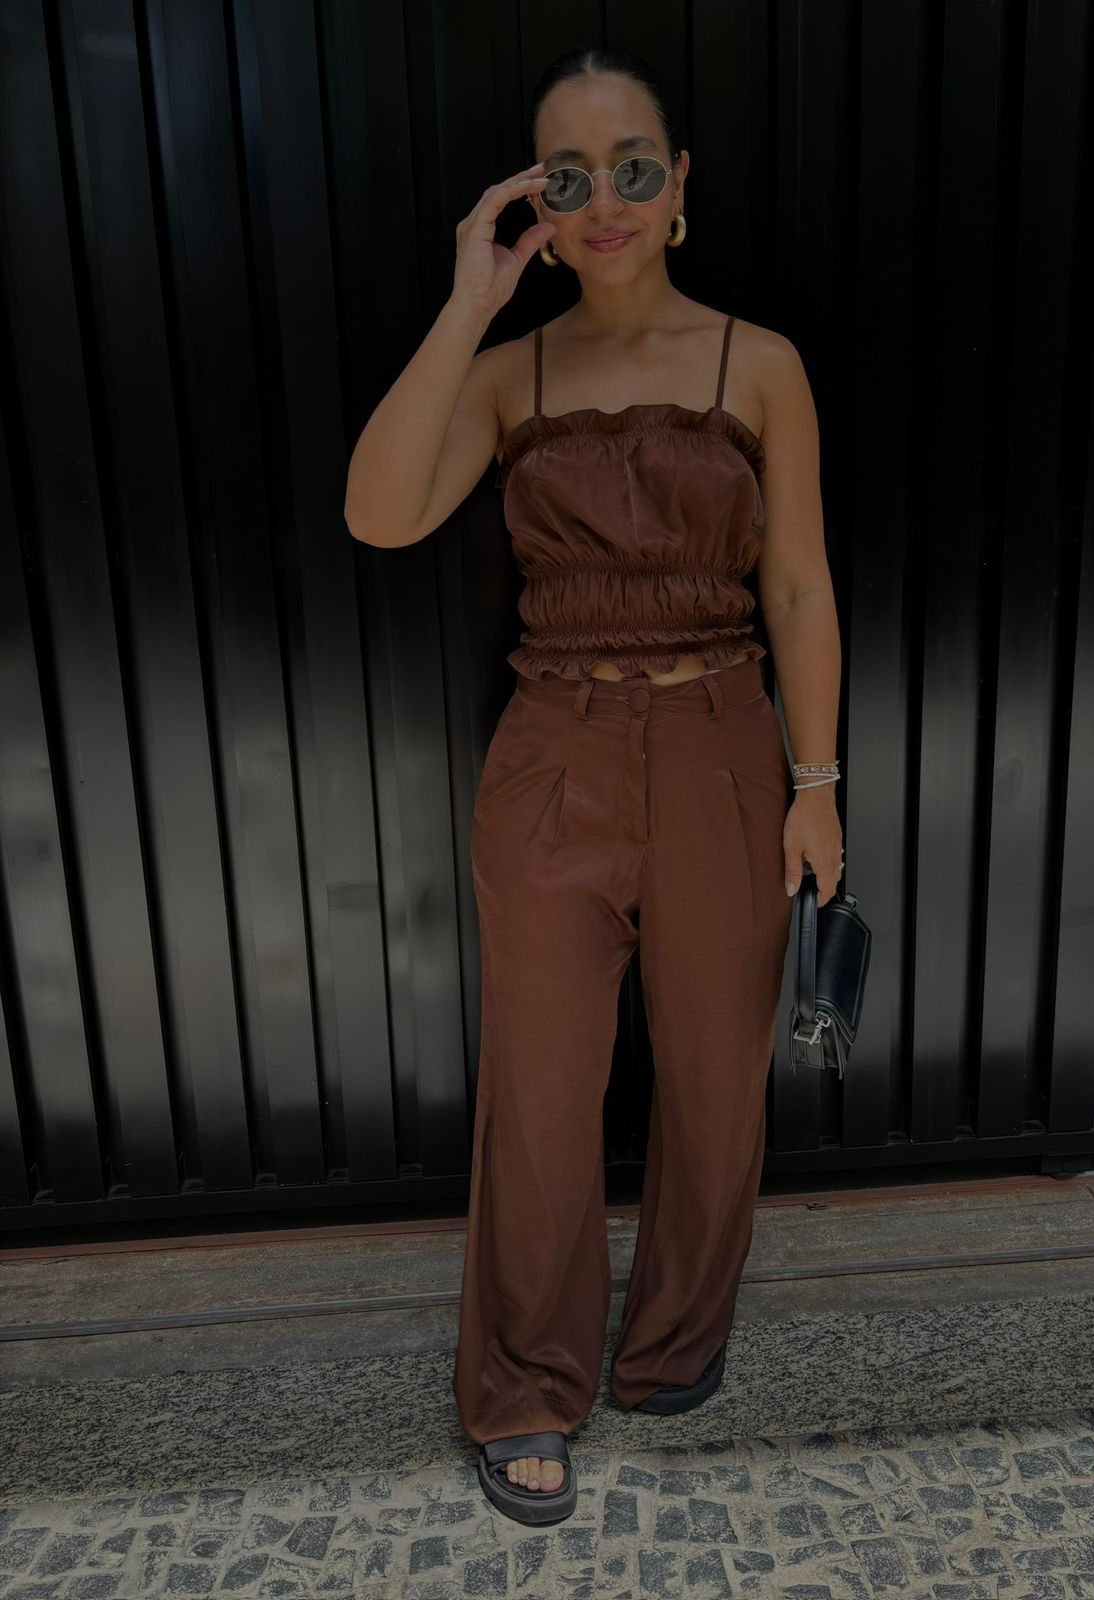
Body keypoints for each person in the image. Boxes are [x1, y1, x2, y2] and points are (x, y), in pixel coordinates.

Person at [344, 45, 843, 1527]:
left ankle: (676, 1338)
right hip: (554, 753)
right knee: (543, 1089)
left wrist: (816, 784)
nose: (605, 199)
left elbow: (800, 586)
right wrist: (469, 301)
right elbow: (379, 515)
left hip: (723, 745)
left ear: (678, 183)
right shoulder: (510, 375)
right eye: (570, 176)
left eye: (632, 166)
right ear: (536, 203)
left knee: (716, 1074)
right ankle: (522, 1384)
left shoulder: (760, 364)